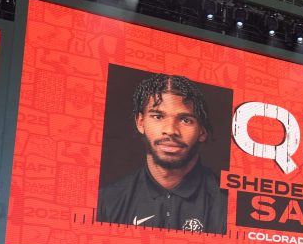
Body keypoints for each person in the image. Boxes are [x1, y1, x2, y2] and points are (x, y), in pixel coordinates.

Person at [97, 74, 227, 233]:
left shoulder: (226, 204)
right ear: (140, 122)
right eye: (158, 116)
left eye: (185, 120)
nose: (171, 130)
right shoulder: (108, 201)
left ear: (202, 131)